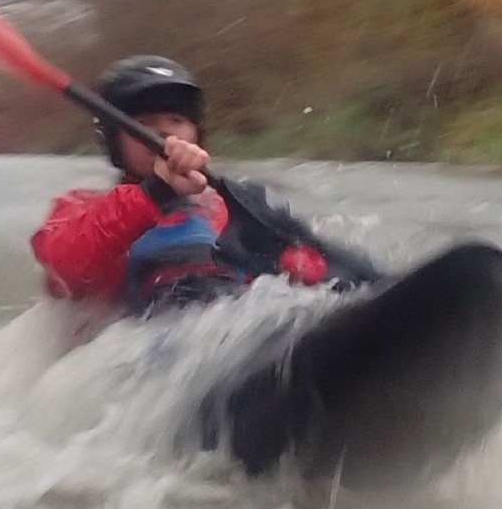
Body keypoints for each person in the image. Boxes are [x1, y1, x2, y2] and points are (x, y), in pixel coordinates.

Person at [32, 55, 377, 318]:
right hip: (148, 352)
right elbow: (66, 267)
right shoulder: (82, 209)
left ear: (197, 134)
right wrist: (156, 190)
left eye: (177, 121)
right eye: (145, 124)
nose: (165, 133)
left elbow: (311, 260)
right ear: (113, 140)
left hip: (242, 324)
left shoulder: (242, 203)